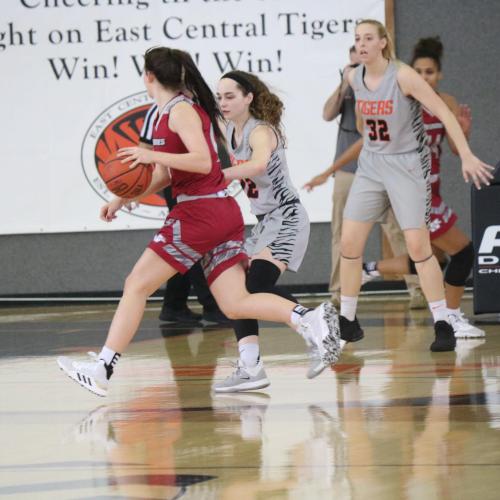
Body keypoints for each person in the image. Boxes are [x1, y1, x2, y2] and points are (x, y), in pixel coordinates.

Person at [57, 46, 341, 397]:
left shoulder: (181, 111)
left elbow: (204, 162)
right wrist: (124, 196)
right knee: (235, 303)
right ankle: (306, 319)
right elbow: (165, 174)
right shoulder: (168, 113)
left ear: (148, 76)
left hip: (199, 214)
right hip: (217, 215)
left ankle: (102, 368)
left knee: (136, 285)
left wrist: (149, 153)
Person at [336, 20, 492, 352]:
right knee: (349, 244)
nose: (361, 44)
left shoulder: (403, 75)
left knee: (420, 248)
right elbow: (359, 123)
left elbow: (444, 113)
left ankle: (442, 323)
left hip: (406, 164)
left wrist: (465, 154)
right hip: (371, 165)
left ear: (382, 43)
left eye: (368, 39)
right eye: (356, 39)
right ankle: (347, 322)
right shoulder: (352, 76)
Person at [212, 70, 315, 393]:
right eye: (220, 97)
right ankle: (251, 365)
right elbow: (201, 118)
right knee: (240, 292)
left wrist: (221, 176)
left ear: (248, 98)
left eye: (230, 96)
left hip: (286, 217)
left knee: (253, 287)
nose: (223, 102)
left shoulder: (261, 132)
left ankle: (314, 321)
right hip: (265, 223)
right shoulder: (229, 128)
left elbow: (257, 165)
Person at [304, 46, 425, 310]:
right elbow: (326, 114)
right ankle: (338, 291)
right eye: (354, 60)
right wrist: (343, 84)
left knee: (399, 230)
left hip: (386, 167)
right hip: (348, 171)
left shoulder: (390, 85)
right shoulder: (349, 88)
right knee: (341, 234)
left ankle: (417, 288)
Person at [139, 103, 229, 326]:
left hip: (199, 184)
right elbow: (145, 150)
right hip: (178, 183)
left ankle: (174, 304)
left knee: (184, 243)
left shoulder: (196, 106)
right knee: (192, 242)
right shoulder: (159, 111)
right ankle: (211, 305)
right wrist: (137, 190)